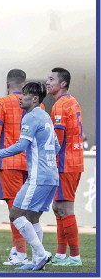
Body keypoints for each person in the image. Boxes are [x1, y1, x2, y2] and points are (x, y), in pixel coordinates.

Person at [0, 82, 60, 271]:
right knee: (33, 218)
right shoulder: (45, 116)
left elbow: (21, 146)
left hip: (38, 176)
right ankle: (37, 261)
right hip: (51, 175)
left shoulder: (30, 117)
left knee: (15, 214)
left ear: (35, 99)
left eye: (25, 94)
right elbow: (57, 146)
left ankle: (41, 254)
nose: (21, 97)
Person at [0, 69, 30, 266]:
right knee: (27, 210)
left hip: (10, 163)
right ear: (24, 84)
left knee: (15, 210)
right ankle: (17, 248)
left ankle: (21, 253)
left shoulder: (2, 102)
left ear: (7, 84)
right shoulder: (37, 104)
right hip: (31, 163)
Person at [46, 68, 84, 267]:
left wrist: (49, 161)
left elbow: (58, 140)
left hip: (65, 163)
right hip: (73, 161)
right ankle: (61, 254)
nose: (47, 82)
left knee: (65, 208)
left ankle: (75, 257)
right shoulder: (72, 101)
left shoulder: (60, 105)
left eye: (51, 79)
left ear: (63, 84)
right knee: (57, 207)